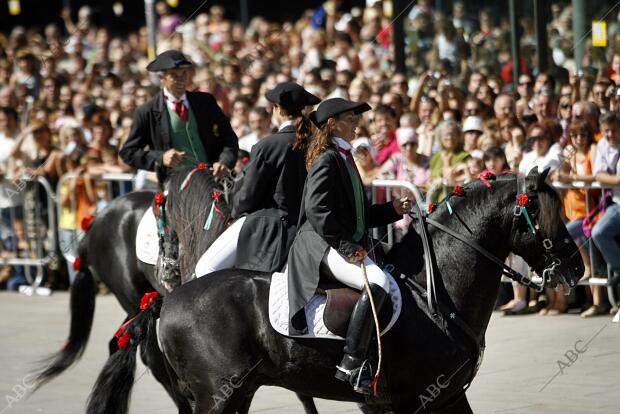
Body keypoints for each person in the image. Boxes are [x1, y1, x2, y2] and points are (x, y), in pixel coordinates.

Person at [287, 98, 411, 394]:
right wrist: (348, 248)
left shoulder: (344, 156)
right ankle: (351, 363)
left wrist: (393, 209)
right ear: (332, 123)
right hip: (320, 245)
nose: (357, 121)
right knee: (378, 283)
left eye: (356, 117)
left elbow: (358, 214)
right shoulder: (327, 158)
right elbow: (318, 212)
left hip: (336, 239)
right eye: (350, 117)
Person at [195, 82, 320, 276]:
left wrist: (233, 211)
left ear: (277, 109)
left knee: (205, 268)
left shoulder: (268, 145)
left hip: (269, 225)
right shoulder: (317, 143)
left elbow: (248, 195)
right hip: (307, 227)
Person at [119, 50, 238, 181]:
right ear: (162, 78)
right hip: (175, 185)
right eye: (174, 75)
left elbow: (229, 138)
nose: (181, 80)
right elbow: (128, 152)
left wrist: (224, 162)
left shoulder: (206, 102)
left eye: (184, 74)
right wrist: (161, 158)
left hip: (212, 178)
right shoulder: (147, 111)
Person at [592, 112, 620, 287]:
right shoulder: (602, 144)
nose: (610, 135)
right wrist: (613, 179)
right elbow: (599, 175)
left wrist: (611, 179)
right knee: (598, 232)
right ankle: (618, 269)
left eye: (614, 130)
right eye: (606, 131)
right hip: (617, 203)